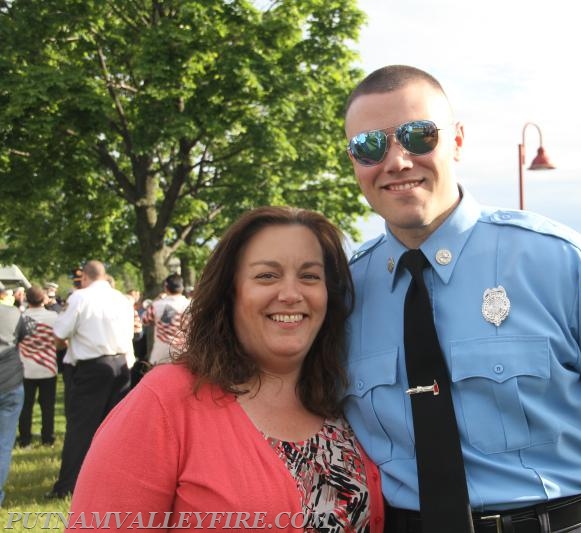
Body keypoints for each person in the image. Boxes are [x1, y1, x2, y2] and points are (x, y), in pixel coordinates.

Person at [343, 65, 581, 532]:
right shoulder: (342, 291)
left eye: (418, 136)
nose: (397, 161)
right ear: (353, 161)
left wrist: (576, 520)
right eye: (370, 145)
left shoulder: (565, 264)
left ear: (458, 141)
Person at [68, 207, 383, 531]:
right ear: (230, 292)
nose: (291, 294)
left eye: (310, 276)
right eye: (267, 276)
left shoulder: (343, 395)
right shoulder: (164, 402)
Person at [48, 260, 134, 498]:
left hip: (92, 366)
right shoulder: (122, 299)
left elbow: (59, 334)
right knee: (116, 429)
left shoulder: (80, 297)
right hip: (121, 365)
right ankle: (115, 483)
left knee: (80, 428)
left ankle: (68, 486)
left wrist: (67, 345)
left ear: (85, 277)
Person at [17, 285, 59, 447]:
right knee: (48, 406)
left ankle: (25, 439)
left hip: (26, 368)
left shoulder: (21, 317)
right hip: (48, 368)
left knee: (26, 407)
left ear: (27, 299)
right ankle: (47, 438)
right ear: (43, 299)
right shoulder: (53, 317)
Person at [0, 288, 25, 506]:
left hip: (10, 381)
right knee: (4, 443)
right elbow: (24, 336)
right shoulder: (14, 314)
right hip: (10, 381)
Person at [142, 273, 190, 365]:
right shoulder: (190, 305)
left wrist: (156, 299)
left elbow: (144, 320)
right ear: (182, 288)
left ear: (165, 287)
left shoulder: (157, 305)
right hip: (183, 354)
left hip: (160, 355)